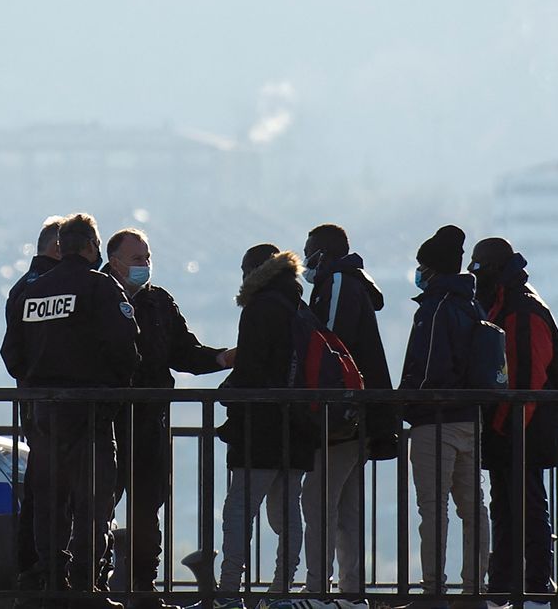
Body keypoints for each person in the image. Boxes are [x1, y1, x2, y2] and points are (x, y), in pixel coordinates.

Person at [1, 212, 140, 608]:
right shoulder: (101, 288)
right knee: (93, 503)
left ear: (61, 247)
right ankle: (86, 586)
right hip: (92, 411)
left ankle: (52, 582)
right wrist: (110, 386)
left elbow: (12, 353)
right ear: (93, 246)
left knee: (49, 501)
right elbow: (126, 349)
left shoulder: (32, 292)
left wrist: (39, 381)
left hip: (44, 413)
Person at [102, 227, 233, 608]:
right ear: (115, 262)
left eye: (148, 258)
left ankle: (143, 589)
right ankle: (93, 584)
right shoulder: (98, 296)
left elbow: (183, 351)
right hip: (106, 421)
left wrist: (221, 358)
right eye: (137, 259)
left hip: (149, 421)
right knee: (97, 506)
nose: (145, 265)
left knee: (147, 509)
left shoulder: (158, 301)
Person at [295, 224, 396, 606]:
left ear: (322, 253)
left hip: (342, 415)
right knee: (347, 506)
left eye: (309, 252)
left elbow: (329, 348)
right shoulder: (352, 283)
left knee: (318, 500)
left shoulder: (336, 282)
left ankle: (318, 590)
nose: (305, 261)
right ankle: (352, 594)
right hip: (361, 414)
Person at [215, 244, 320, 607]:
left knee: (240, 510)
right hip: (298, 428)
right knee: (288, 511)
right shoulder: (301, 307)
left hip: (259, 428)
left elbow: (251, 370)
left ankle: (229, 592)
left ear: (252, 272)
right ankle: (282, 591)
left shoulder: (260, 308)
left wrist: (226, 394)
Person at [398, 225, 491, 608]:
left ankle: (433, 590)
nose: (419, 272)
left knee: (433, 509)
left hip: (435, 421)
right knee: (473, 508)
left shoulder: (435, 308)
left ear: (431, 269)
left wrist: (404, 404)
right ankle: (474, 592)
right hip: (471, 419)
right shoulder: (472, 305)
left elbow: (428, 370)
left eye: (421, 265)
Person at [469, 237, 558, 609]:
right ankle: (503, 588)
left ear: (491, 267)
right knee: (507, 509)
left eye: (477, 266)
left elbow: (525, 381)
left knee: (527, 508)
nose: (473, 274)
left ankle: (536, 588)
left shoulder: (521, 310)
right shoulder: (510, 303)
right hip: (517, 429)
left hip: (523, 430)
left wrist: (504, 426)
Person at [2, 215, 66, 605]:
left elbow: (12, 354)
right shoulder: (54, 288)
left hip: (34, 403)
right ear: (59, 247)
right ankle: (49, 571)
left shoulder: (21, 289)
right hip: (58, 406)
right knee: (57, 490)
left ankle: (32, 569)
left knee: (40, 484)